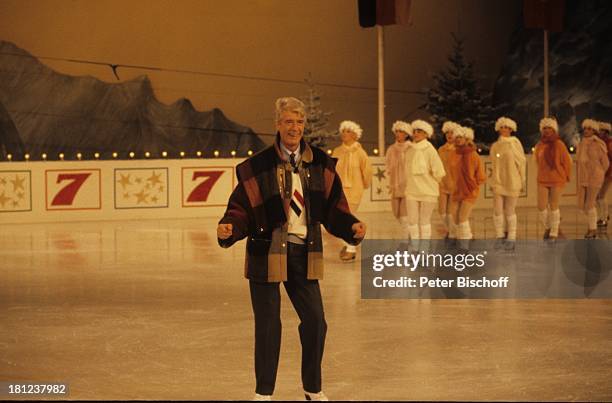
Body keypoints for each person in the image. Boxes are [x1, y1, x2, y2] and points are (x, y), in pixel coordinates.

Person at [217, 97, 367, 401]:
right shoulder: (258, 166)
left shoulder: (320, 164)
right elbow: (241, 207)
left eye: (299, 122)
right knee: (269, 327)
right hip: (266, 252)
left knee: (315, 322)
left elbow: (333, 208)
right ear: (278, 125)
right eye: (288, 121)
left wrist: (350, 226)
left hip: (303, 252)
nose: (294, 128)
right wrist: (230, 226)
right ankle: (264, 394)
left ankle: (312, 388)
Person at [332, 120, 372, 261]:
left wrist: (364, 186)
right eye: (343, 131)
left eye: (348, 131)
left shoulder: (361, 153)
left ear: (355, 135)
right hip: (339, 191)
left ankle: (351, 248)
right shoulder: (337, 152)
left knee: (350, 217)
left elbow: (367, 172)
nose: (344, 134)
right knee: (341, 217)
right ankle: (349, 244)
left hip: (355, 190)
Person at [403, 119, 445, 247]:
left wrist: (431, 182)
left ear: (426, 134)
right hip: (412, 191)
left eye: (419, 131)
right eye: (414, 131)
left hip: (428, 191)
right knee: (412, 221)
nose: (416, 134)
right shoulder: (409, 150)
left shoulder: (430, 150)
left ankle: (424, 250)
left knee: (424, 221)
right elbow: (406, 170)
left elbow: (439, 171)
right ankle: (415, 248)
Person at [489, 117, 526, 250]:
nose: (503, 130)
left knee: (510, 210)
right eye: (502, 127)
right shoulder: (495, 146)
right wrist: (493, 178)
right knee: (497, 210)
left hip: (512, 181)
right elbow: (493, 164)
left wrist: (522, 180)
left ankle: (511, 237)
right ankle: (499, 236)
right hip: (498, 182)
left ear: (511, 129)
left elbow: (521, 163)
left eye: (506, 127)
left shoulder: (515, 143)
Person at [534, 117, 572, 242]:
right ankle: (549, 227)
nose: (546, 130)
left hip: (557, 179)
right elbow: (537, 161)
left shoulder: (559, 144)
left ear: (554, 129)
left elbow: (567, 161)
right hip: (543, 179)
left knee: (554, 205)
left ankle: (554, 233)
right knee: (541, 206)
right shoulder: (539, 145)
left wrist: (567, 176)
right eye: (544, 128)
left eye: (549, 128)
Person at [448, 126, 486, 249]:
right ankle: (467, 236)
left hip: (470, 190)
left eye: (461, 137)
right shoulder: (453, 154)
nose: (458, 140)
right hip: (457, 189)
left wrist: (473, 184)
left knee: (462, 217)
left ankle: (464, 246)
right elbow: (451, 172)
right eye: (456, 137)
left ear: (467, 138)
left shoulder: (473, 154)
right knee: (455, 217)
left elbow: (480, 174)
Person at [576, 119, 609, 238]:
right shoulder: (581, 143)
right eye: (585, 128)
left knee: (590, 204)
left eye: (589, 129)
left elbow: (605, 163)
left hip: (595, 178)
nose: (586, 131)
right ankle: (592, 227)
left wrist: (598, 172)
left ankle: (592, 229)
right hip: (584, 178)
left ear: (594, 131)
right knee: (585, 206)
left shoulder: (598, 144)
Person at [385, 120, 412, 239]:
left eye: (401, 131)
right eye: (396, 131)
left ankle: (406, 239)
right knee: (396, 214)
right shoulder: (391, 149)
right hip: (395, 185)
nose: (398, 134)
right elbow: (387, 166)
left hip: (408, 185)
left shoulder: (411, 148)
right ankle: (410, 232)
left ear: (406, 134)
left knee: (404, 215)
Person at [438, 121, 460, 240]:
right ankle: (448, 229)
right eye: (447, 133)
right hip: (442, 183)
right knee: (442, 211)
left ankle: (453, 232)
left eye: (451, 133)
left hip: (455, 184)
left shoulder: (459, 149)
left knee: (452, 211)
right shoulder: (441, 149)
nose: (449, 135)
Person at [595, 121, 612, 228]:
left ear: (606, 132)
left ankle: (604, 217)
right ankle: (604, 215)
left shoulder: (609, 143)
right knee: (599, 196)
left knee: (601, 195)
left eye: (601, 130)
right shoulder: (599, 142)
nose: (599, 132)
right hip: (601, 172)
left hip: (608, 172)